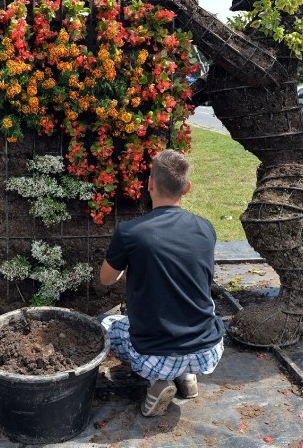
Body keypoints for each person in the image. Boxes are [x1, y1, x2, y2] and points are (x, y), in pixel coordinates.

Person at [99, 149, 225, 417]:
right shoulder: (206, 228)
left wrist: (127, 265)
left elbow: (106, 279)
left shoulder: (130, 232)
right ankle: (187, 377)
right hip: (208, 350)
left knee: (107, 326)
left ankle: (159, 384)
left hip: (155, 358)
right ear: (187, 188)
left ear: (150, 184)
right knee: (204, 304)